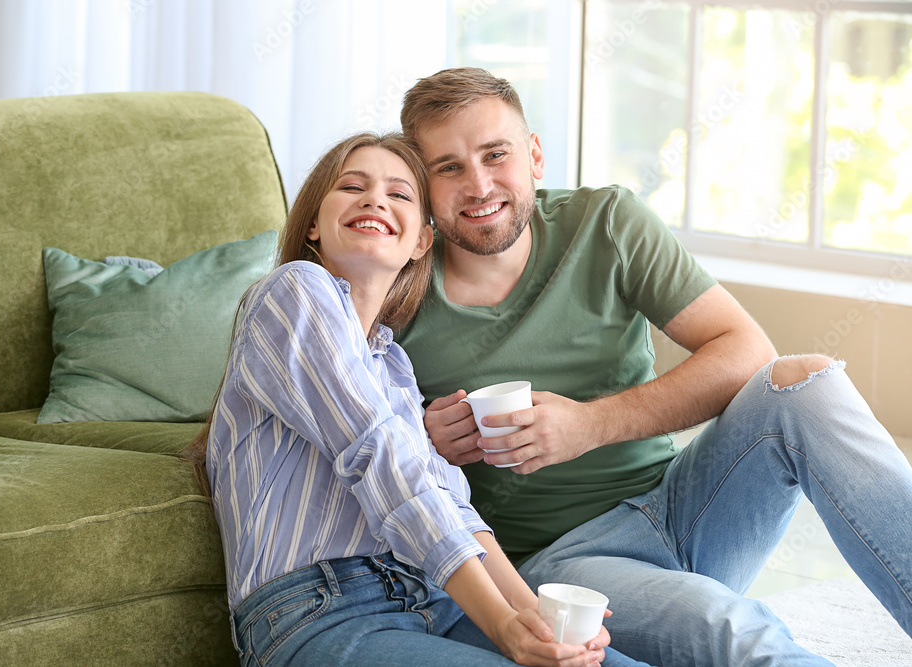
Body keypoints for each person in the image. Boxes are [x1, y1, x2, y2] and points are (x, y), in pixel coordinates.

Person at [395, 67, 912, 666]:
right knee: (731, 630)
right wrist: (424, 439)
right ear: (422, 184)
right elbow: (355, 451)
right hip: (560, 565)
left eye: (496, 154)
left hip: (682, 502)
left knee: (804, 383)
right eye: (449, 167)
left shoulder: (605, 223)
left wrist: (590, 425)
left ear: (534, 155)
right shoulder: (398, 290)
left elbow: (745, 350)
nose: (479, 184)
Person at [182, 132, 648, 667]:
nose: (375, 199)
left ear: (421, 242)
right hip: (317, 613)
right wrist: (502, 626)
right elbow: (379, 455)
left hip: (435, 598)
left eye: (399, 194)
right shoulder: (293, 293)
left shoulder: (391, 363)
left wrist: (535, 619)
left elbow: (452, 504)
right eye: (352, 186)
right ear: (313, 223)